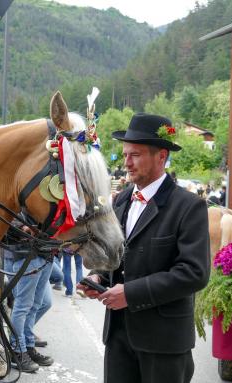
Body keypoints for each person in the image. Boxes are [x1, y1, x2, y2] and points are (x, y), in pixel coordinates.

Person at [78, 113, 210, 383]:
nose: (126, 162)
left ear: (161, 156)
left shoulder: (188, 206)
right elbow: (115, 257)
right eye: (126, 154)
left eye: (135, 155)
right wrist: (98, 278)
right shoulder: (122, 199)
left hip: (164, 342)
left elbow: (194, 273)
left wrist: (131, 294)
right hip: (118, 335)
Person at [3, 220, 54, 373]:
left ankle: (27, 347)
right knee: (23, 307)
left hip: (44, 253)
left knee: (34, 306)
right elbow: (6, 216)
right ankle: (17, 351)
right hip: (23, 254)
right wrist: (23, 227)